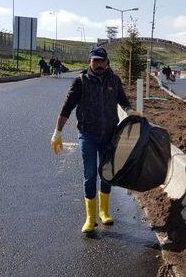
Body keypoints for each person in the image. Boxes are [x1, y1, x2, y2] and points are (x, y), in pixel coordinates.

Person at [50, 47, 143, 233]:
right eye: (96, 61)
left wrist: (130, 109)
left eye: (102, 61)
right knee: (90, 173)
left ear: (107, 62)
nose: (99, 64)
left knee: (107, 172)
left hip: (109, 135)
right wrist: (57, 132)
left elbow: (122, 99)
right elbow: (67, 107)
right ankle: (90, 218)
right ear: (89, 62)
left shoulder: (114, 80)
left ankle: (104, 211)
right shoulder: (81, 82)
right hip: (88, 135)